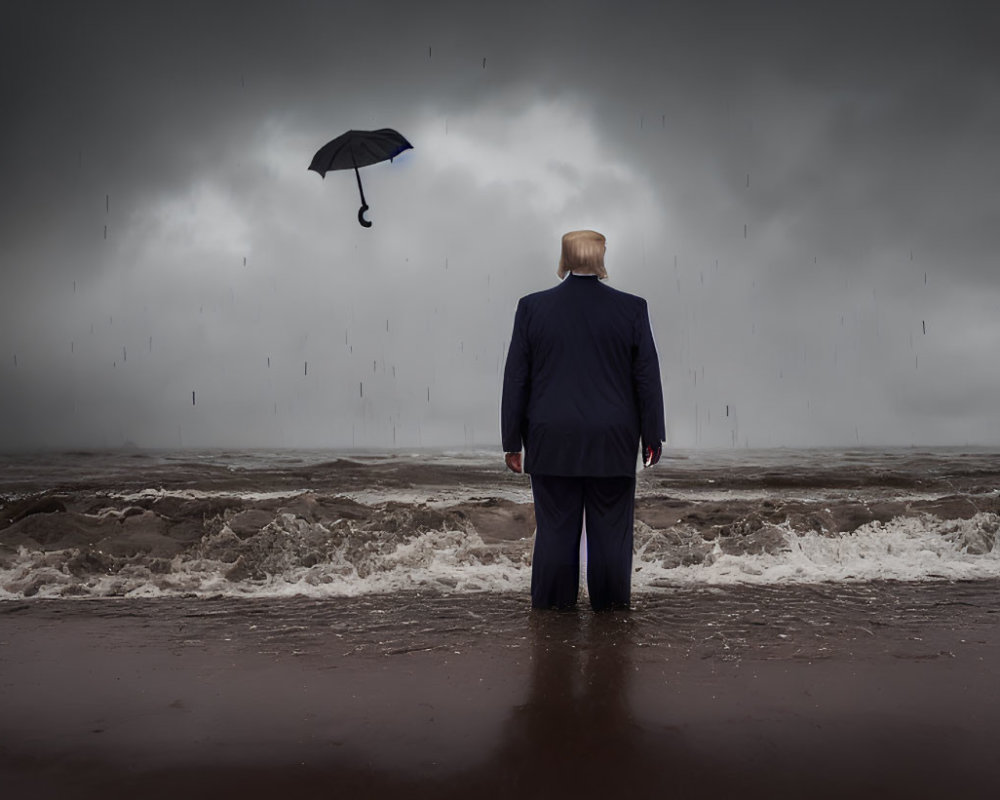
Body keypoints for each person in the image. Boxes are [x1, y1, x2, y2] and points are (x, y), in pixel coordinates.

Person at [501, 230, 665, 611]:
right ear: (600, 256)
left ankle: (553, 609)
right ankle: (609, 608)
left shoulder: (532, 307)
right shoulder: (632, 308)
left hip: (550, 436)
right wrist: (652, 436)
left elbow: (516, 378)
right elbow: (646, 378)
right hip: (612, 437)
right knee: (611, 532)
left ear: (565, 257)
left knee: (555, 530)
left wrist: (512, 440)